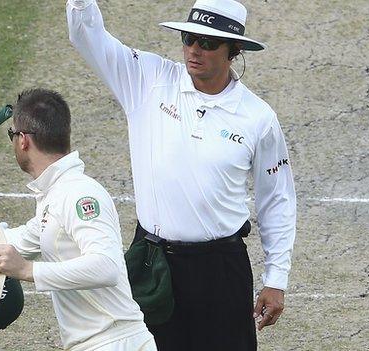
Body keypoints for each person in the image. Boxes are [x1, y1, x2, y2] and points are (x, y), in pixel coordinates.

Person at [66, 0, 296, 350]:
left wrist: (276, 279)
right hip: (152, 261)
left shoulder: (258, 118)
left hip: (221, 269)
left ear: (233, 51)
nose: (194, 50)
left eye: (207, 43)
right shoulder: (149, 79)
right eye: (189, 38)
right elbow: (87, 35)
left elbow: (277, 199)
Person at [0, 88, 157, 351]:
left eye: (12, 134)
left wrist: (28, 270)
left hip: (114, 342)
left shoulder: (79, 193)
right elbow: (18, 240)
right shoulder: (54, 195)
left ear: (23, 140)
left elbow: (106, 266)